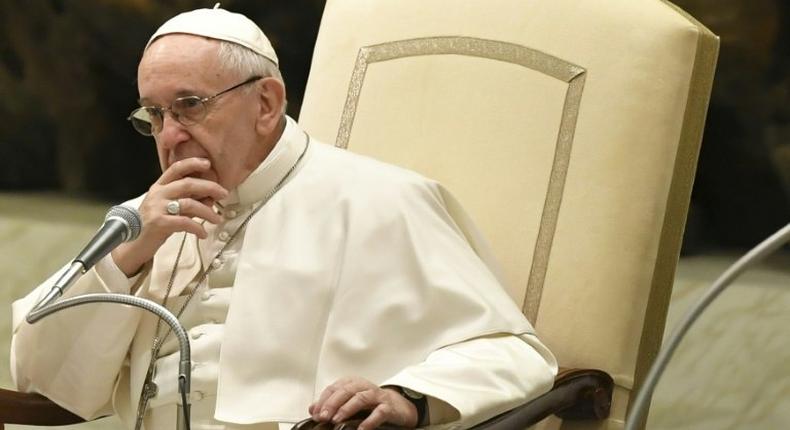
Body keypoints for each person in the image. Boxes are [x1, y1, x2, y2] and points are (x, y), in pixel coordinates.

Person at [10, 5, 557, 430]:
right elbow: (43, 379)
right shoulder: (143, 219)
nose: (170, 135)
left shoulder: (379, 200)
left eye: (189, 106)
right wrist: (131, 253)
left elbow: (513, 354)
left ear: (267, 104)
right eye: (154, 114)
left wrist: (408, 397)